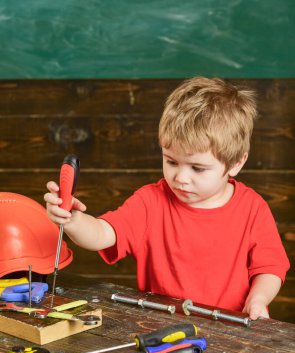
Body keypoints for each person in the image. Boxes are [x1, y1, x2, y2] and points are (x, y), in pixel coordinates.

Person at [44, 77, 290, 320]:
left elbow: (269, 268)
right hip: (160, 331)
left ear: (236, 163)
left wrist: (258, 299)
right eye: (171, 161)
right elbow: (102, 234)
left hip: (231, 333)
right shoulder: (151, 202)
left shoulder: (252, 208)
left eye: (197, 168)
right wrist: (73, 220)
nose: (181, 177)